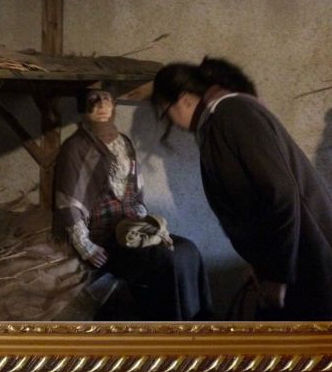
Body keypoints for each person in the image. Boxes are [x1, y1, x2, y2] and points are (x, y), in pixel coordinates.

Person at [150, 57, 332, 321]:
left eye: (166, 112)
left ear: (185, 100)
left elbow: (280, 193)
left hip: (307, 256)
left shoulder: (232, 114)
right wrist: (261, 266)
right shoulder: (220, 120)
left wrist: (277, 274)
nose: (172, 123)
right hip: (292, 260)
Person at [52, 88, 212, 321]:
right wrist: (85, 246)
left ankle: (200, 324)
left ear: (114, 105)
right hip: (104, 236)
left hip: (129, 229)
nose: (101, 105)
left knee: (187, 250)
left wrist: (144, 222)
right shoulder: (74, 147)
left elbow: (135, 192)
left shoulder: (124, 143)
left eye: (106, 99)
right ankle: (174, 330)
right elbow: (67, 201)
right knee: (168, 260)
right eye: (93, 100)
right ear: (83, 108)